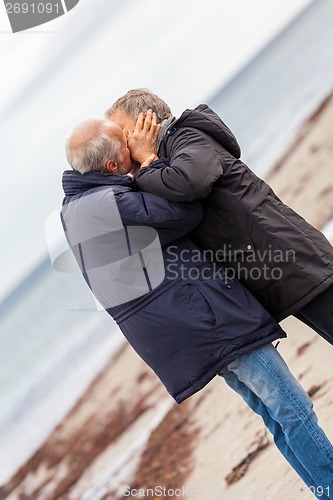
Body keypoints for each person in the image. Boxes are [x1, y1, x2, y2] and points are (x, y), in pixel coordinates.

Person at [61, 118, 333, 498]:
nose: (132, 145)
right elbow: (184, 213)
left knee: (278, 417)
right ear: (112, 166)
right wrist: (152, 161)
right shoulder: (116, 201)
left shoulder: (72, 211)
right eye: (126, 145)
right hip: (209, 321)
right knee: (293, 409)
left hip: (182, 334)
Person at [106, 89, 333, 346]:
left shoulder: (185, 136)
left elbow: (190, 182)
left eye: (124, 132)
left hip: (291, 258)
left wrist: (147, 160)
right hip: (273, 269)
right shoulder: (164, 160)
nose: (122, 143)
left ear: (147, 122)